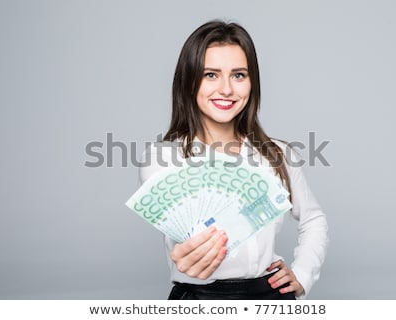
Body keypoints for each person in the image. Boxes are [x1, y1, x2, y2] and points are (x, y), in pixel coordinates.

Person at [138, 19, 329, 300]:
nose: (227, 89)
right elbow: (192, 229)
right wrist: (188, 251)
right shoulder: (163, 158)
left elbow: (313, 219)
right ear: (189, 82)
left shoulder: (278, 155)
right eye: (211, 75)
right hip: (199, 298)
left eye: (239, 75)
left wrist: (302, 274)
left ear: (252, 83)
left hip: (269, 296)